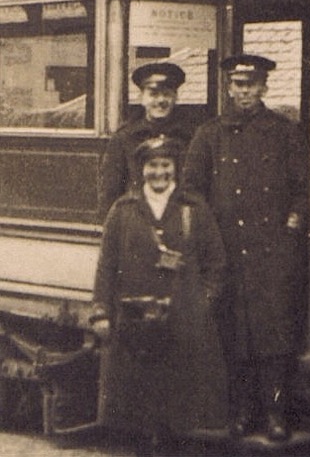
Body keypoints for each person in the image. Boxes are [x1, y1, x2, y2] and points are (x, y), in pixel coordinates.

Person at [182, 54, 308, 442]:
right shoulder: (210, 134)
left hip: (272, 251)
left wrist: (295, 217)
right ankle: (239, 414)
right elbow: (191, 189)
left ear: (264, 88)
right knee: (234, 337)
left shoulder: (284, 132)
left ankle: (275, 415)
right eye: (238, 84)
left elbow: (305, 185)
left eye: (251, 84)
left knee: (273, 337)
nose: (244, 91)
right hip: (228, 250)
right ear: (228, 88)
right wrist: (207, 236)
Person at [91, 135, 228, 456]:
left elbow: (216, 262)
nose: (159, 172)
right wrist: (100, 311)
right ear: (141, 170)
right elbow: (106, 266)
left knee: (178, 407)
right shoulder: (123, 211)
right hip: (135, 325)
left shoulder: (192, 209)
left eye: (165, 165)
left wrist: (199, 303)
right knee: (137, 407)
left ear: (175, 168)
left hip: (181, 325)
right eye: (152, 166)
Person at [98, 62, 190, 218]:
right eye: (153, 94)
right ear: (142, 98)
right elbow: (110, 191)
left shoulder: (190, 136)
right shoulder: (124, 138)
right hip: (136, 222)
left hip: (178, 222)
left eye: (167, 94)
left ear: (176, 97)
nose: (161, 100)